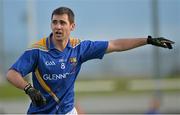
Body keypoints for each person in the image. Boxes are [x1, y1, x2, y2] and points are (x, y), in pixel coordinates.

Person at [6, 6, 174, 114]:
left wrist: (148, 40)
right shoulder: (38, 50)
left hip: (67, 112)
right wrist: (29, 89)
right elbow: (12, 73)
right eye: (55, 22)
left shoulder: (80, 48)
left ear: (72, 26)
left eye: (62, 23)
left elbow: (116, 44)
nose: (58, 26)